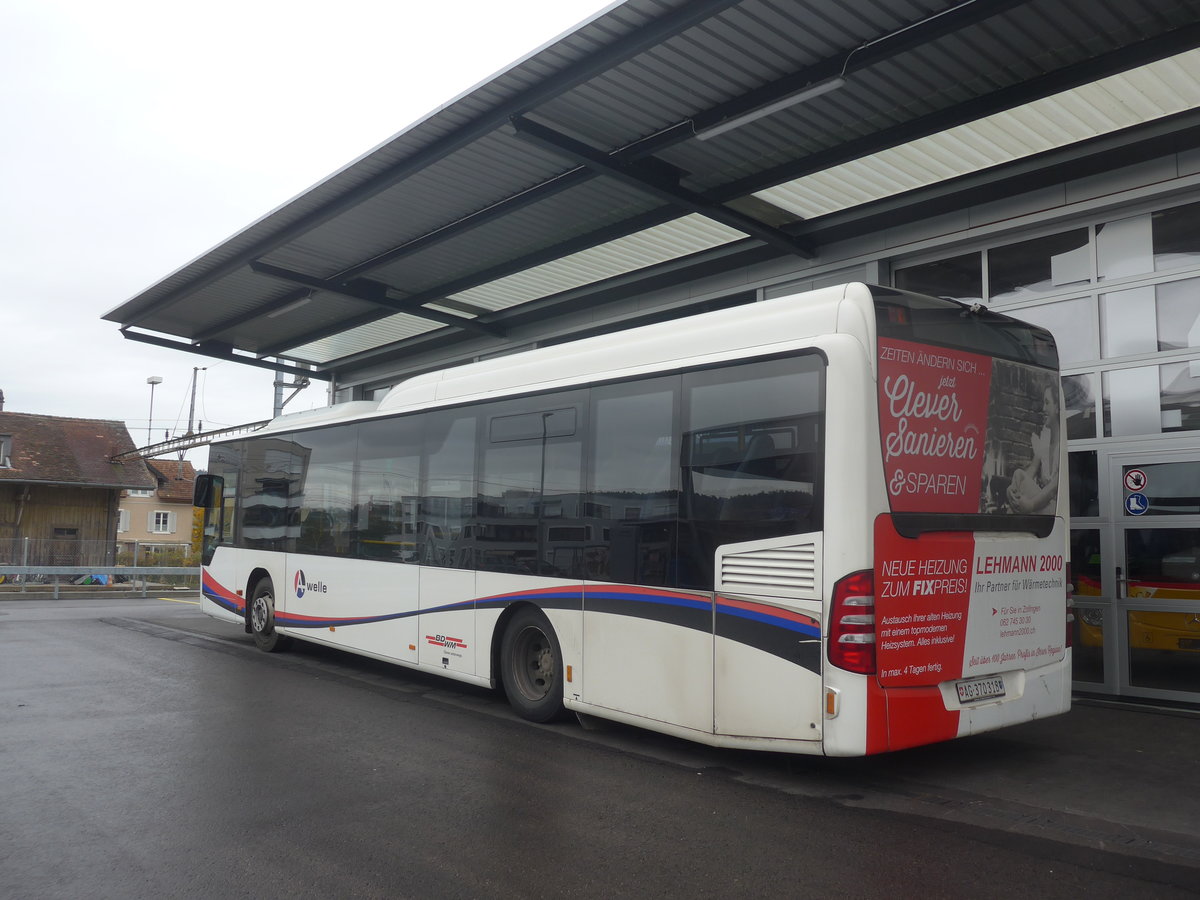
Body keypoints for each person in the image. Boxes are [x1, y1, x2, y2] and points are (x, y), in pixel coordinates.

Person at [1006, 384, 1060, 514]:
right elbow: (1032, 470)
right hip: (1043, 501)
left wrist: (1031, 505)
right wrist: (1012, 488)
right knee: (1018, 474)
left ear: (1057, 407)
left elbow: (1054, 487)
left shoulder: (1064, 444)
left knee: (1017, 509)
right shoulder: (1045, 438)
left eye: (1047, 403)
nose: (1043, 408)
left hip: (1058, 508)